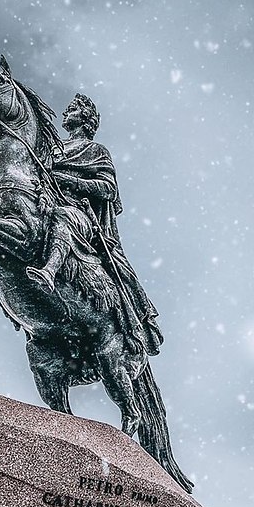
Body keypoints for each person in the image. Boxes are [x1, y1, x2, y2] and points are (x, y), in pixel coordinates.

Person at [26, 94, 163, 356]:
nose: (67, 110)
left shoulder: (95, 151)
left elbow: (108, 188)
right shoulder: (52, 149)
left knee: (63, 217)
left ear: (87, 119)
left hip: (79, 214)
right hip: (45, 205)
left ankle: (49, 270)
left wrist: (70, 181)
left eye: (74, 108)